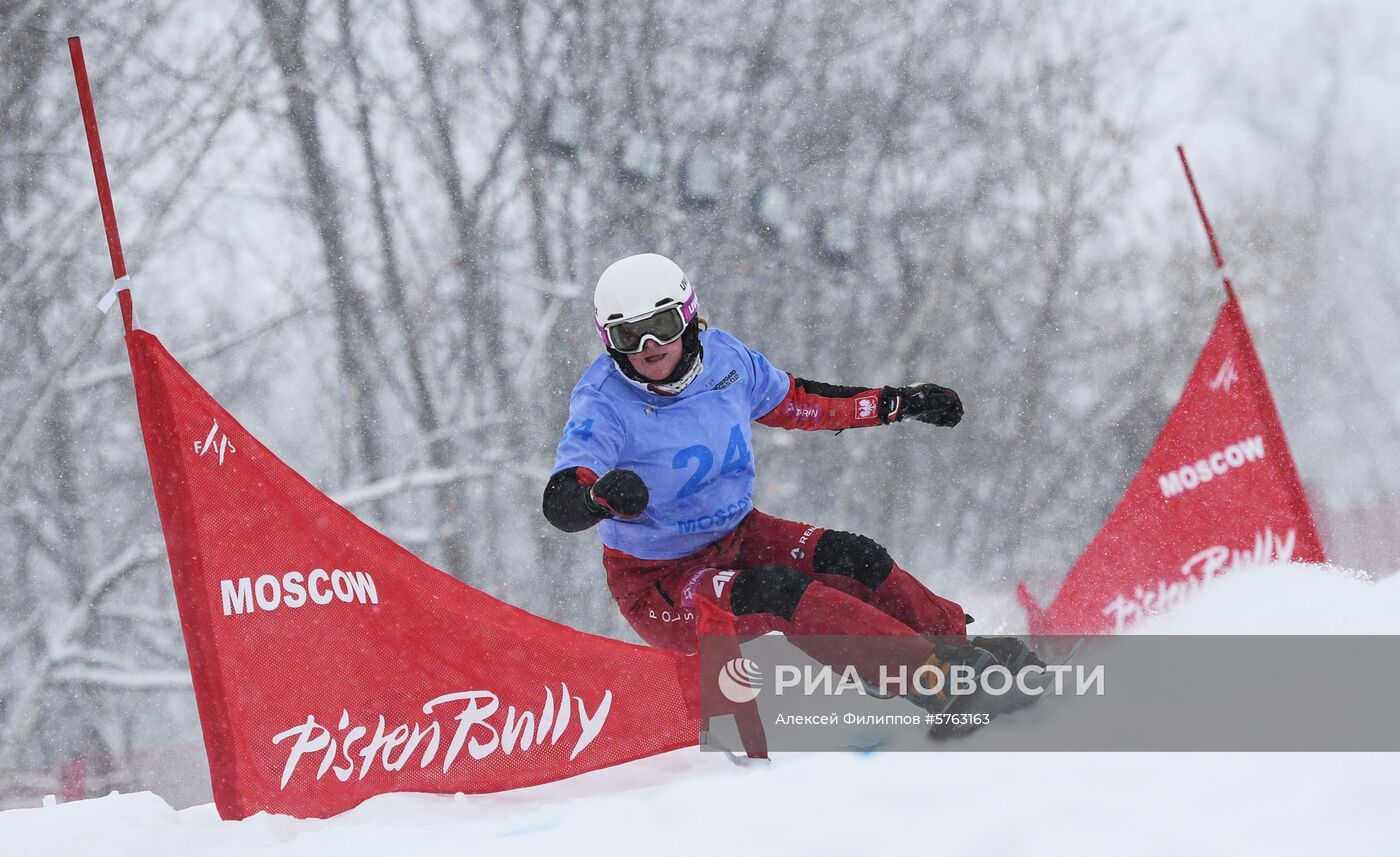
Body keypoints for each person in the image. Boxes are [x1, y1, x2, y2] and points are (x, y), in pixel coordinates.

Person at [543, 253, 1035, 714]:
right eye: (630, 337)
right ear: (609, 342)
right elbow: (562, 497)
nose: (650, 349)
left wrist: (897, 402)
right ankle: (931, 680)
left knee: (854, 556)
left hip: (738, 535)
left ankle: (953, 648)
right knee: (782, 594)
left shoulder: (725, 361)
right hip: (661, 582)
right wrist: (594, 497)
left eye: (661, 327)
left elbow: (800, 401)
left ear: (689, 319)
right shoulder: (603, 400)